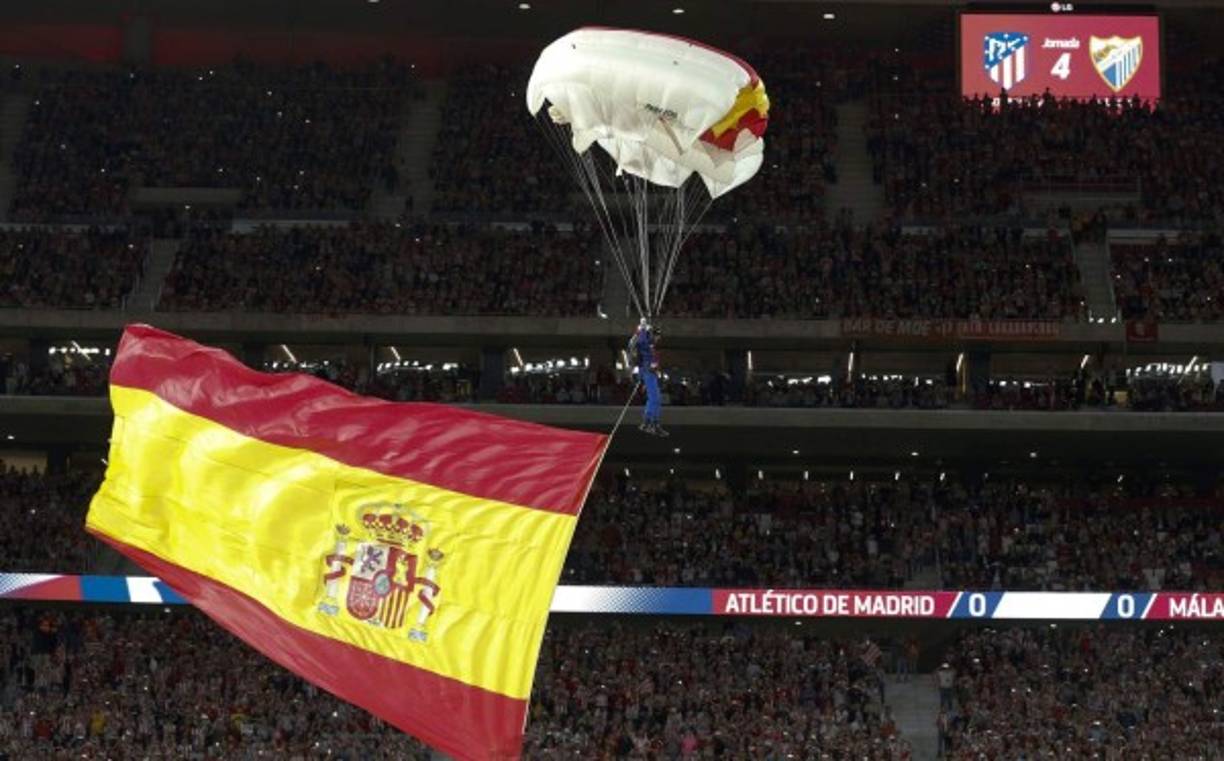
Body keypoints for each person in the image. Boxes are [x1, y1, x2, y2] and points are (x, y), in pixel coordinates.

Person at [629, 318, 667, 436]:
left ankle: (651, 423)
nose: (658, 338)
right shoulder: (645, 343)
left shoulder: (650, 346)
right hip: (647, 372)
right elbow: (640, 341)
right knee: (654, 398)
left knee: (656, 399)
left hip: (651, 373)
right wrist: (643, 328)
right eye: (657, 336)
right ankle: (650, 423)